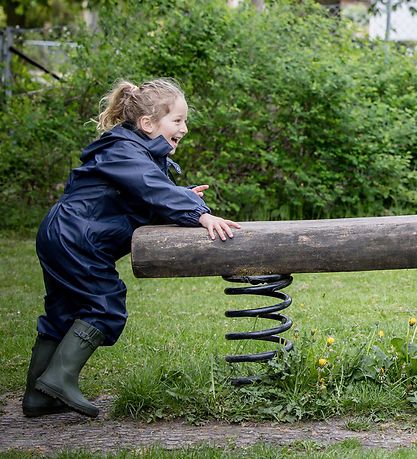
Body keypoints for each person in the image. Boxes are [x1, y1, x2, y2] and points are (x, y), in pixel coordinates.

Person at [22, 78, 241, 418]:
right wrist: (199, 214)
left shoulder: (138, 153)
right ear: (148, 124)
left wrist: (182, 198)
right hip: (78, 236)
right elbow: (149, 187)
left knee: (63, 311)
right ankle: (59, 379)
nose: (184, 128)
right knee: (105, 305)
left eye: (185, 120)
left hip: (67, 232)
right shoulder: (124, 150)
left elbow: (144, 195)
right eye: (177, 120)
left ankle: (38, 396)